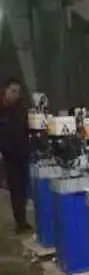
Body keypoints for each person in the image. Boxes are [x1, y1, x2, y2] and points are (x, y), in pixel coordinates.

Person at [0, 78, 31, 233]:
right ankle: (20, 220)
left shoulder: (21, 108)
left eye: (17, 92)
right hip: (7, 154)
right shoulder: (2, 109)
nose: (15, 95)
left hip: (22, 153)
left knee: (21, 188)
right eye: (12, 91)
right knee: (15, 188)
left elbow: (26, 128)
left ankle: (22, 220)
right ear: (5, 90)